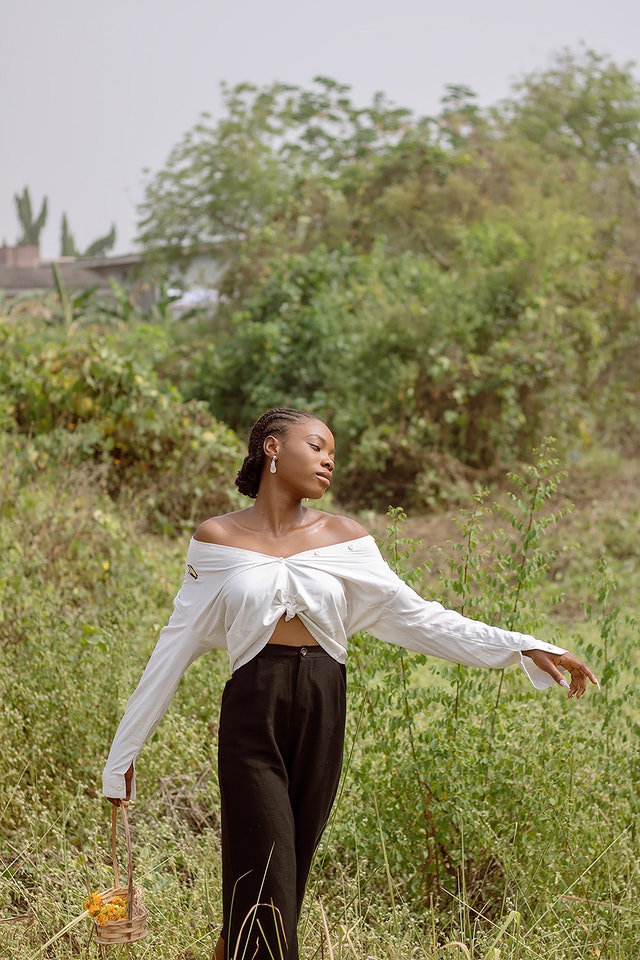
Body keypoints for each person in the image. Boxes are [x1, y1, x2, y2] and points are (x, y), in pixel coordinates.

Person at [103, 407, 598, 960]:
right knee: (266, 867)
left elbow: (422, 618)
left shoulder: (345, 539)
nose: (328, 459)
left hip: (323, 706)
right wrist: (123, 754)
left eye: (331, 451)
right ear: (271, 447)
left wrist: (522, 644)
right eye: (315, 446)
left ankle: (229, 948)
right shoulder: (216, 540)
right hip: (253, 707)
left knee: (282, 876)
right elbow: (175, 644)